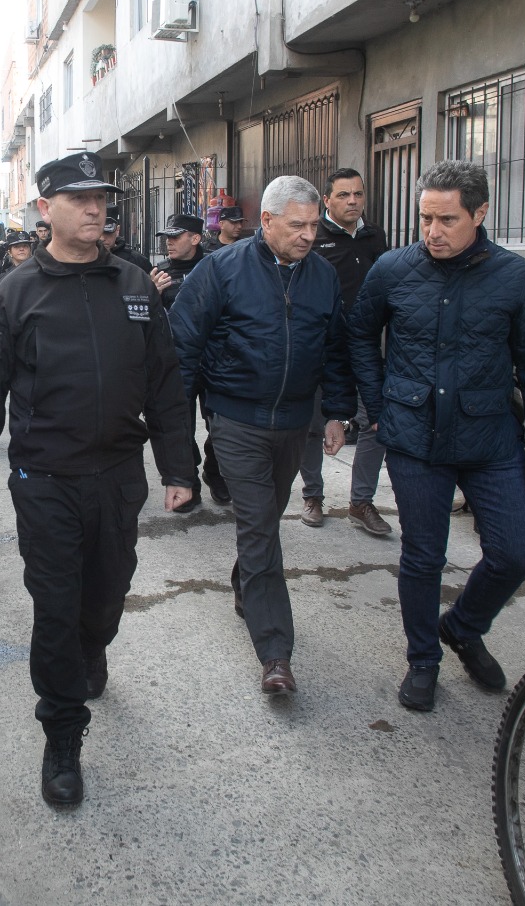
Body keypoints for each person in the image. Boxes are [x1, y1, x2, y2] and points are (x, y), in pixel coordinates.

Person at [0, 151, 196, 808]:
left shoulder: (135, 285)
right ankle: (62, 733)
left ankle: (94, 646)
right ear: (46, 210)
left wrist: (179, 466)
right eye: (81, 199)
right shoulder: (16, 293)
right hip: (46, 482)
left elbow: (166, 384)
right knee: (56, 610)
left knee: (106, 598)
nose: (96, 209)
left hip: (118, 476)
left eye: (103, 199)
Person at [347, 159, 525, 713]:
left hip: (490, 439)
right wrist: (378, 406)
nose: (432, 232)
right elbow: (359, 336)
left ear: (480, 213)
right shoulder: (393, 270)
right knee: (423, 556)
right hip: (415, 437)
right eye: (425, 219)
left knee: (515, 553)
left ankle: (463, 626)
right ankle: (424, 660)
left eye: (446, 220)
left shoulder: (515, 277)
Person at [170, 176, 356, 696]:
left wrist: (338, 412)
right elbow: (181, 351)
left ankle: (244, 585)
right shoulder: (220, 271)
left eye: (315, 226)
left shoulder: (321, 276)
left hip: (294, 424)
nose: (308, 235)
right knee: (261, 531)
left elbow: (335, 349)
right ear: (267, 221)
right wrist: (177, 443)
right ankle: (275, 653)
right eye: (297, 225)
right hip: (236, 422)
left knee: (266, 520)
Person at [298, 167, 392, 535]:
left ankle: (361, 501)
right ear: (327, 200)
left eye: (358, 194)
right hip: (322, 348)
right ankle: (313, 496)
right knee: (314, 426)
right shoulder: (313, 236)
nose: (352, 201)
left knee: (375, 422)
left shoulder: (375, 236)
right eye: (343, 195)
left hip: (366, 347)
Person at [151, 212, 226, 511]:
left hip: (215, 362)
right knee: (178, 426)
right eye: (167, 237)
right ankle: (187, 481)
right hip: (176, 364)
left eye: (175, 236)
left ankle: (216, 473)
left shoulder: (217, 268)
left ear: (195, 239)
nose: (169, 242)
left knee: (220, 425)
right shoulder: (158, 273)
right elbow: (145, 321)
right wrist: (150, 295)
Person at [101, 205, 151, 271]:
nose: (102, 238)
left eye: (107, 232)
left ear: (117, 230)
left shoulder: (136, 260)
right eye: (97, 232)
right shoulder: (85, 259)